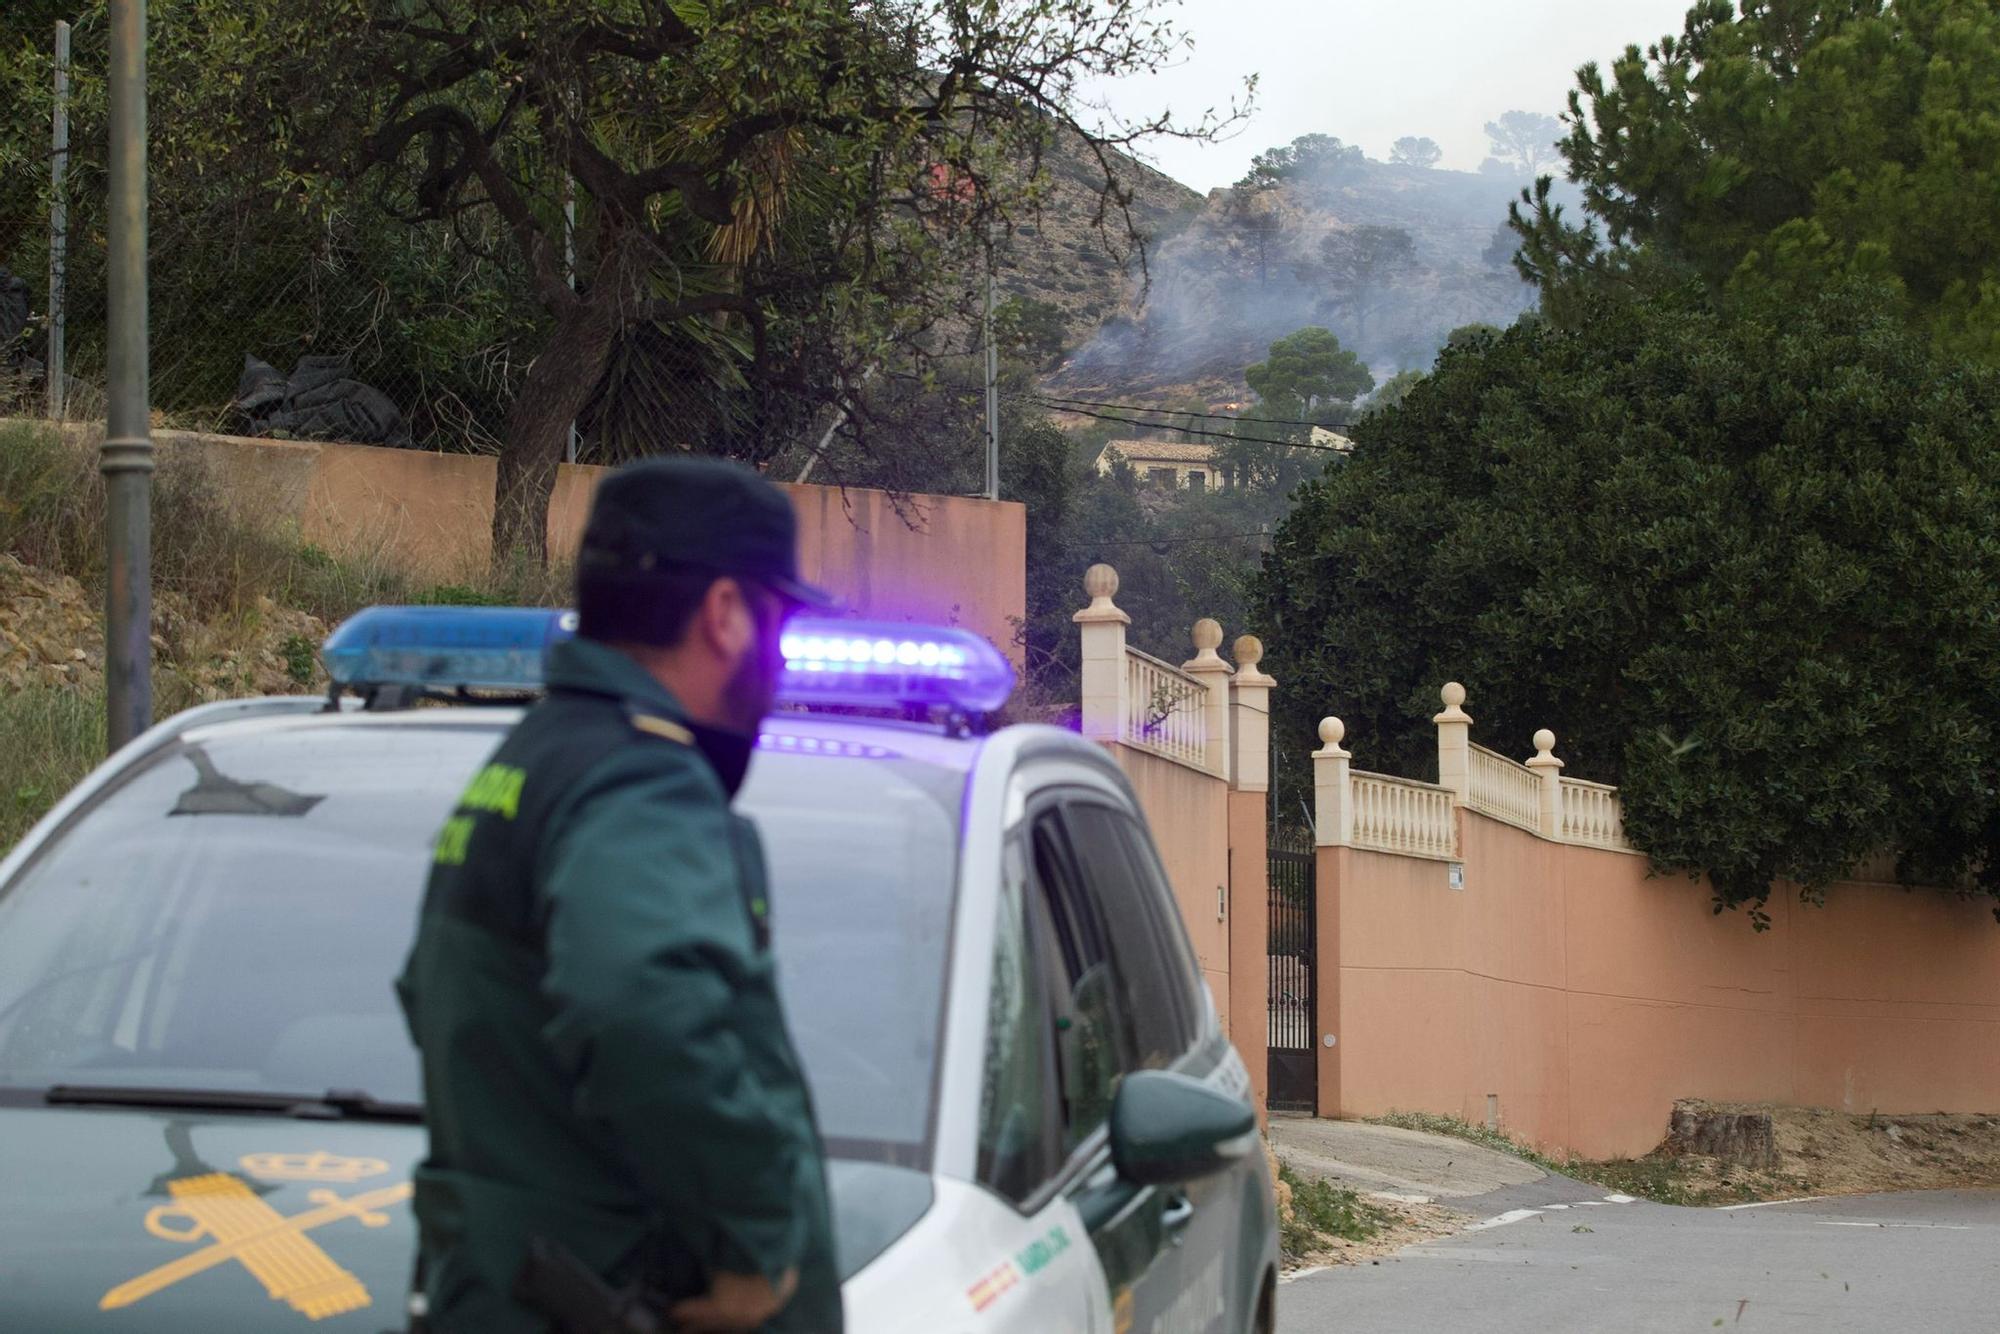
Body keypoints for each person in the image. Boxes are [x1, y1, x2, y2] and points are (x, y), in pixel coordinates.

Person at [397, 458, 844, 1333]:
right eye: (777, 623)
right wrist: (750, 1246)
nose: (780, 660)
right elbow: (641, 1001)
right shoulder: (643, 781)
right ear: (723, 615)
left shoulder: (534, 761)